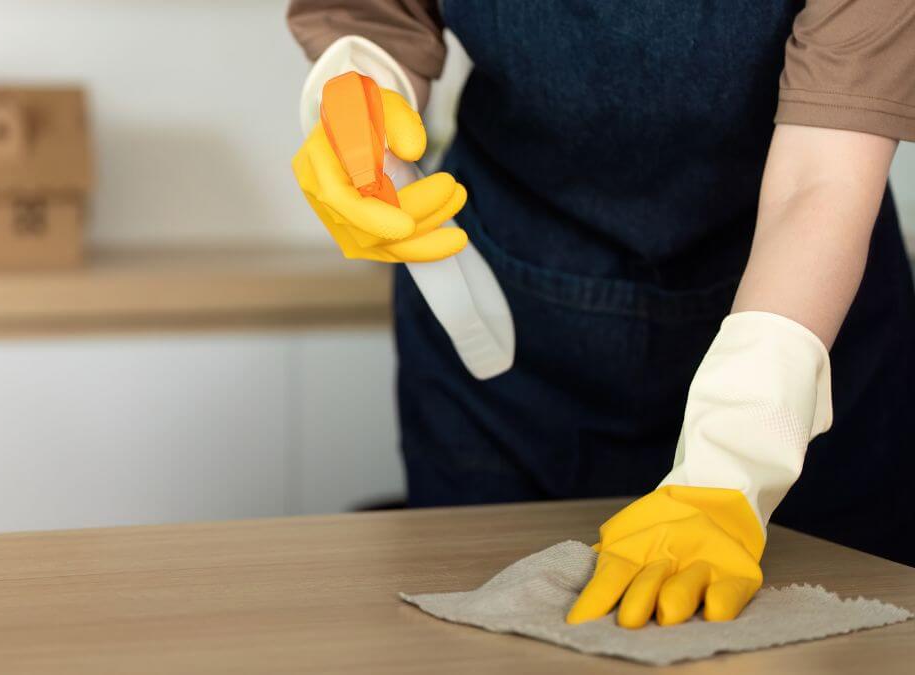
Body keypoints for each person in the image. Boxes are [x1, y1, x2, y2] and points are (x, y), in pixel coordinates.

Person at [289, 0, 915, 628]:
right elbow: (372, 15)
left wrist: (737, 459)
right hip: (507, 323)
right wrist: (360, 77)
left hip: (799, 318)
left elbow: (819, 179)